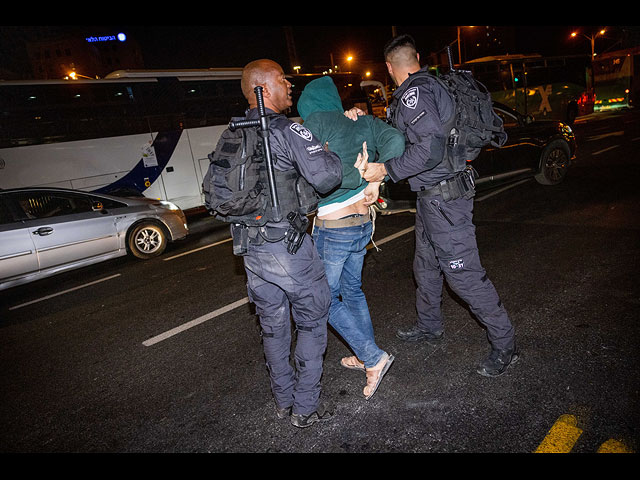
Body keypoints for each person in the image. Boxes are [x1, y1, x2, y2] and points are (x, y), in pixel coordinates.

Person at [357, 35, 518, 377]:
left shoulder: (416, 94)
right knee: (426, 266)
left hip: (446, 200)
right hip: (434, 198)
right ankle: (430, 326)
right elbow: (411, 138)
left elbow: (428, 148)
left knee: (463, 276)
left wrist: (386, 170)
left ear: (389, 68)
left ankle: (506, 345)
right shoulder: (429, 87)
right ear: (416, 57)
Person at [236, 60, 343, 427]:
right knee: (313, 321)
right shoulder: (288, 130)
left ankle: (282, 401)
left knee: (273, 327)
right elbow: (328, 177)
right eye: (283, 79)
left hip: (251, 250)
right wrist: (326, 152)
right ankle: (305, 407)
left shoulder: (233, 134)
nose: (289, 85)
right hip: (289, 248)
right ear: (263, 86)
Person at [297, 76, 405, 399]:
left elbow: (310, 170)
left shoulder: (316, 122)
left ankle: (373, 357)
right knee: (352, 290)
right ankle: (364, 354)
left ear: (308, 105)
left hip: (335, 226)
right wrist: (377, 174)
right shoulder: (359, 119)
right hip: (363, 224)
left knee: (323, 299)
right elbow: (397, 141)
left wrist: (354, 174)